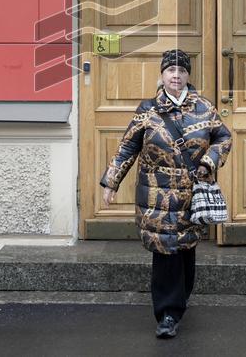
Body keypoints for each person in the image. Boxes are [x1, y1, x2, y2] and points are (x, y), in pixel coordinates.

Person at [99, 48, 232, 339]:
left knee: (185, 252)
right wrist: (111, 182)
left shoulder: (204, 109)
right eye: (170, 70)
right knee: (165, 253)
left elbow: (224, 137)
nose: (176, 75)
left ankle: (179, 302)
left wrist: (210, 161)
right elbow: (127, 148)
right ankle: (167, 314)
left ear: (187, 75)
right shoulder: (147, 110)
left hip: (190, 195)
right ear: (162, 75)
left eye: (181, 71)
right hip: (157, 197)